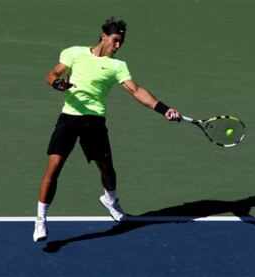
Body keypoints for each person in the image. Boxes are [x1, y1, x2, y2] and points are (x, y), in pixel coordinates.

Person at [33, 17, 180, 242]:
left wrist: (164, 109)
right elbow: (51, 75)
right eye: (115, 40)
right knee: (54, 166)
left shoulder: (117, 66)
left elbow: (136, 90)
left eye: (121, 42)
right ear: (104, 36)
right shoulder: (74, 53)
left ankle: (110, 199)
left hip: (95, 123)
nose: (118, 46)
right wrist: (57, 83)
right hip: (69, 119)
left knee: (107, 170)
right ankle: (41, 220)